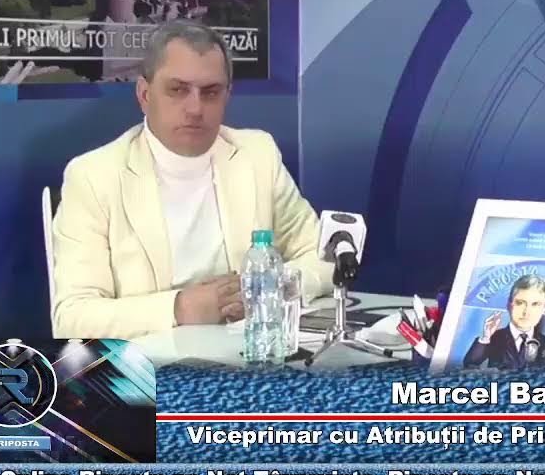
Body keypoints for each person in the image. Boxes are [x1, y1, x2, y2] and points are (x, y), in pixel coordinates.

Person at [51, 21, 333, 339]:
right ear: (144, 94)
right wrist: (179, 308)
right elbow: (72, 317)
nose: (196, 108)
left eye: (210, 92)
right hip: (152, 364)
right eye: (178, 90)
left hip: (249, 353)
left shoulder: (258, 155)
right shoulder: (93, 177)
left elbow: (325, 257)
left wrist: (269, 286)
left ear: (227, 96)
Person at [463, 275, 545, 369]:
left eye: (535, 304)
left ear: (544, 308)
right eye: (520, 303)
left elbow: (540, 370)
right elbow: (470, 363)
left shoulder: (541, 340)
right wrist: (485, 338)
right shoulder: (496, 337)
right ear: (509, 305)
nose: (526, 312)